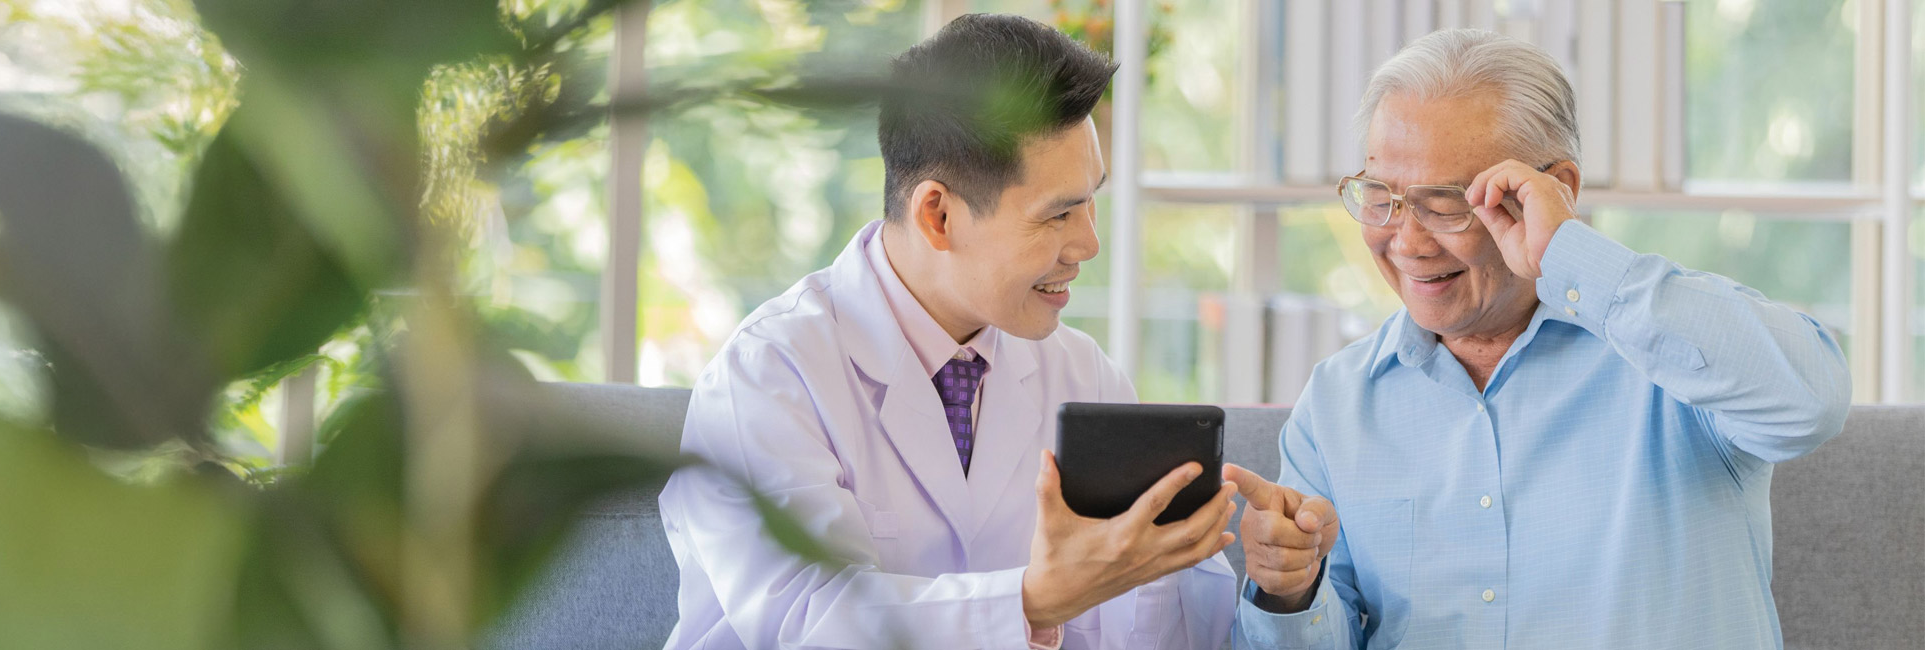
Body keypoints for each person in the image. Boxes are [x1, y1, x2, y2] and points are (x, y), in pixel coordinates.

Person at [1225, 29, 1850, 649]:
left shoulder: (1671, 352)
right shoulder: (1338, 403)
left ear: (1557, 190)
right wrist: (1291, 591)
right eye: (1382, 197)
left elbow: (1813, 402)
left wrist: (1570, 255)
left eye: (1445, 203)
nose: (1408, 242)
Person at [658, 14, 1240, 650]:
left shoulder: (1083, 374)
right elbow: (805, 620)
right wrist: (1035, 600)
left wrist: (1235, 568)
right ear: (938, 214)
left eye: (1091, 200)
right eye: (1058, 214)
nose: (1089, 243)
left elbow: (1151, 633)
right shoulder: (768, 376)